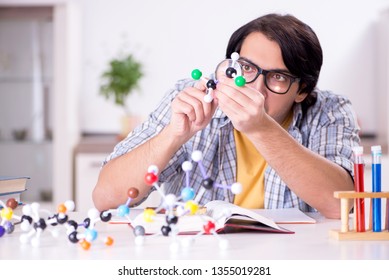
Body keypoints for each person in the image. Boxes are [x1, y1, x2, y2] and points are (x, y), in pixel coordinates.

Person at [92, 13, 360, 219]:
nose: (254, 88)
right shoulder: (189, 95)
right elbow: (105, 198)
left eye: (277, 77)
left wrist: (261, 129)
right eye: (245, 67)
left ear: (302, 90)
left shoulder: (329, 110)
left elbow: (341, 206)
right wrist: (173, 134)